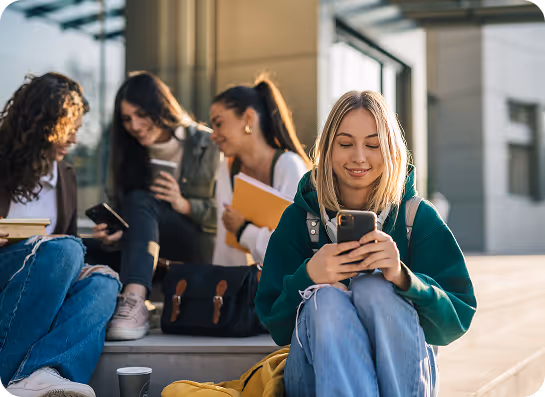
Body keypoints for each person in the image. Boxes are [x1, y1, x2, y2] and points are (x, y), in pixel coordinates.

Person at [255, 91, 477, 396]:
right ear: (328, 149)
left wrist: (402, 277)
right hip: (315, 378)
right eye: (345, 144)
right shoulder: (299, 219)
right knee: (327, 300)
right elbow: (275, 325)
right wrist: (309, 276)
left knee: (376, 289)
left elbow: (457, 319)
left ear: (391, 150)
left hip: (402, 379)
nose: (359, 156)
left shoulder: (416, 217)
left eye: (372, 145)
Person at [0, 73, 120, 397]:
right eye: (72, 128)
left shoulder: (65, 175)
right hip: (5, 278)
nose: (76, 139)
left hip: (43, 282)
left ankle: (46, 372)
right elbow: (61, 250)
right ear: (43, 122)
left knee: (105, 281)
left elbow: (62, 249)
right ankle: (11, 374)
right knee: (65, 250)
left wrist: (98, 245)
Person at [91, 71, 220, 341]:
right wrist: (113, 233)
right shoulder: (126, 151)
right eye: (126, 119)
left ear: (159, 108)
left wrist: (185, 204)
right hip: (148, 249)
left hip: (195, 244)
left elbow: (225, 215)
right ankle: (115, 308)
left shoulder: (206, 145)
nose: (135, 125)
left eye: (141, 114)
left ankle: (135, 299)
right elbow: (126, 214)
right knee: (79, 249)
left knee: (141, 199)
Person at [209, 77, 310, 266]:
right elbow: (225, 247)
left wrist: (243, 230)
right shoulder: (226, 168)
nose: (212, 135)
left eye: (219, 123)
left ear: (248, 118)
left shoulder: (289, 166)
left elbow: (292, 250)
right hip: (241, 288)